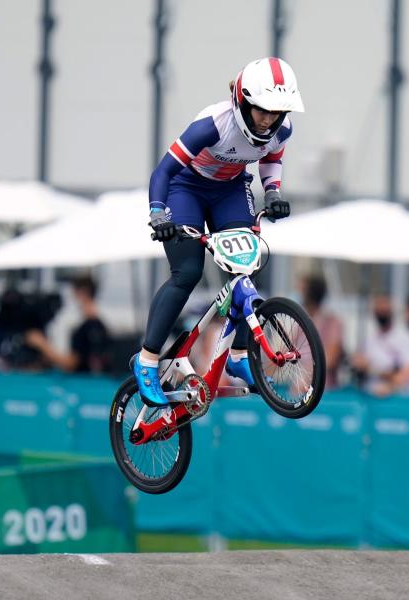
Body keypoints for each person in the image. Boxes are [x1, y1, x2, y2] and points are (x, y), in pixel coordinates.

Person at [133, 57, 303, 406]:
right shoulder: (212, 125)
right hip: (186, 188)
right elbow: (162, 173)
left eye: (277, 112)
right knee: (189, 271)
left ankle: (240, 356)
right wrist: (157, 215)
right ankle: (148, 361)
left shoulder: (281, 130)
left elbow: (271, 159)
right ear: (242, 101)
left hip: (229, 189)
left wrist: (272, 193)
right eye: (262, 111)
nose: (269, 119)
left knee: (245, 268)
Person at [25, 275, 112, 374]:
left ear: (83, 293)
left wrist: (42, 345)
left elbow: (70, 364)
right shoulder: (91, 323)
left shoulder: (89, 326)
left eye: (73, 293)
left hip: (82, 382)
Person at [350, 294, 407, 395]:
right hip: (368, 395)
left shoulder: (402, 338)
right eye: (378, 309)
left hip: (393, 396)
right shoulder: (369, 340)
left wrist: (370, 369)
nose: (381, 312)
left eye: (384, 309)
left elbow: (402, 374)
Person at [300, 274, 344, 389]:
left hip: (323, 389)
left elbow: (331, 358)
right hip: (298, 387)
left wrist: (308, 377)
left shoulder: (332, 322)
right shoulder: (298, 322)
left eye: (302, 291)